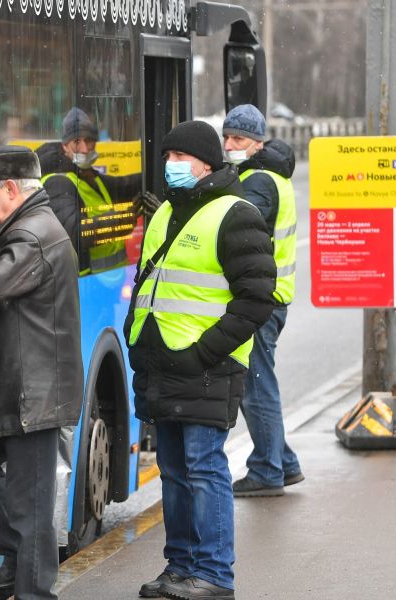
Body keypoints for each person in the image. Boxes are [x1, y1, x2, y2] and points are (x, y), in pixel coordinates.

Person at [125, 121, 275, 600]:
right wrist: (138, 345)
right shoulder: (168, 211)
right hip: (162, 366)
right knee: (172, 471)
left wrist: (203, 353)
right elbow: (150, 286)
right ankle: (180, 567)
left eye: (180, 157)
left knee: (204, 468)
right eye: (167, 156)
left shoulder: (237, 213)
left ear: (206, 164)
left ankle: (212, 575)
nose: (170, 165)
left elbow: (256, 300)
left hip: (206, 368)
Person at [0, 146, 83, 600]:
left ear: (11, 189)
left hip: (34, 395)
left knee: (31, 505)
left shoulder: (33, 234)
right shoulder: (26, 228)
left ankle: (33, 587)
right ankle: (19, 556)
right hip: (15, 390)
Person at [222, 104, 303, 497]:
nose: (229, 144)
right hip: (272, 297)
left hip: (261, 300)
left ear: (256, 142)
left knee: (256, 387)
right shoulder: (266, 175)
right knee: (259, 383)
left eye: (238, 138)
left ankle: (267, 470)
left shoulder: (259, 181)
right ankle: (283, 463)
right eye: (227, 137)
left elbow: (237, 224)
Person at [36, 107, 142, 273]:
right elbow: (73, 233)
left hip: (110, 279)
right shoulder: (58, 181)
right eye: (77, 142)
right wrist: (120, 222)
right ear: (65, 146)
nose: (85, 149)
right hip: (86, 282)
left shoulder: (91, 177)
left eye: (90, 141)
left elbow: (127, 185)